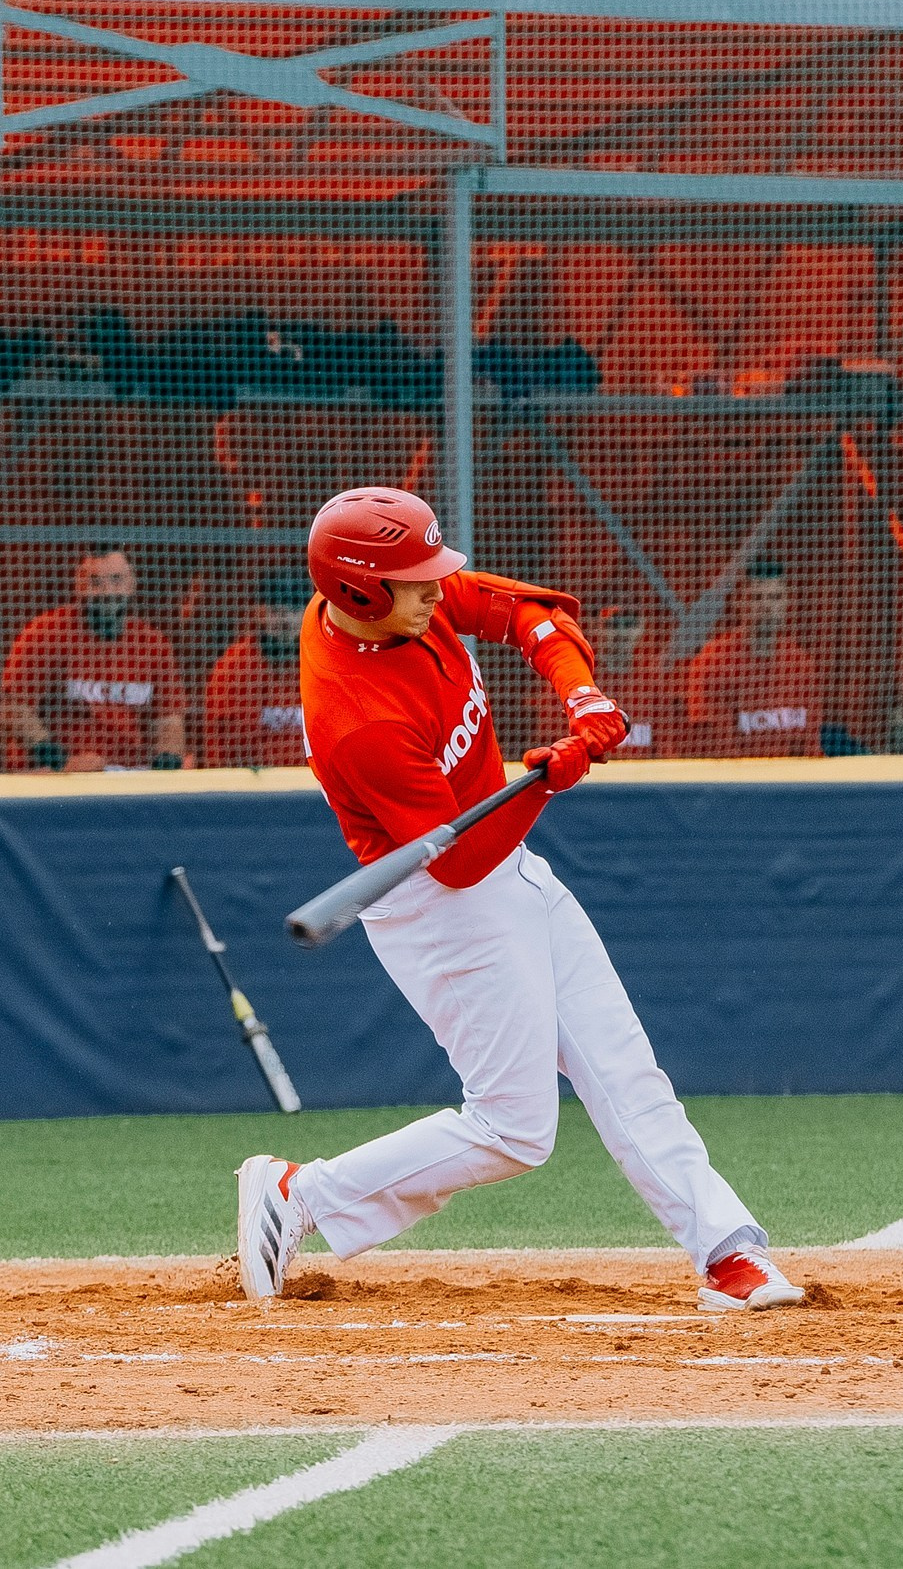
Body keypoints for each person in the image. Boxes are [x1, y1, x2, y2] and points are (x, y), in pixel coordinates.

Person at [234, 487, 804, 1315]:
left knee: (625, 1069)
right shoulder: (361, 719)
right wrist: (548, 782)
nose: (436, 590)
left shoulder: (405, 605)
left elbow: (528, 611)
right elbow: (458, 864)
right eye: (416, 579)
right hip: (438, 905)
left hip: (505, 863)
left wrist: (581, 695)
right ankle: (300, 1194)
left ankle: (727, 1251)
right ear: (360, 591)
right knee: (513, 1128)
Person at [0, 547, 187, 771]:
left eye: (116, 579)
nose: (107, 591)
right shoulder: (46, 633)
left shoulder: (153, 644)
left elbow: (169, 721)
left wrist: (166, 766)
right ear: (79, 585)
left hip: (129, 775)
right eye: (95, 582)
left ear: (131, 583)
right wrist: (62, 762)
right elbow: (14, 710)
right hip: (62, 775)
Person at [684, 558, 822, 758]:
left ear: (786, 602)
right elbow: (714, 747)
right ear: (740, 602)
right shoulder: (712, 661)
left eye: (775, 597)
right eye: (757, 597)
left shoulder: (801, 664)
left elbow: (810, 742)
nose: (766, 606)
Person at [200, 568, 310, 769]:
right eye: (276, 612)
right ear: (259, 613)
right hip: (252, 786)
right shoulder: (234, 667)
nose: (285, 622)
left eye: (294, 612)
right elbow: (221, 746)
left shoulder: (317, 660)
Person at [587, 606, 678, 759]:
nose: (621, 633)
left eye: (629, 624)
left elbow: (666, 750)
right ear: (599, 628)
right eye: (613, 625)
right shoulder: (583, 682)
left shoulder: (654, 684)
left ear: (641, 628)